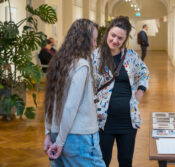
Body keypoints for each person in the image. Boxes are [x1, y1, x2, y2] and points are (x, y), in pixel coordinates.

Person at [43, 19, 105, 167]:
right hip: (79, 136)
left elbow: (50, 102)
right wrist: (60, 142)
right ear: (82, 40)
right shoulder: (81, 65)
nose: (96, 45)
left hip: (56, 132)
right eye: (94, 40)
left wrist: (48, 134)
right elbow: (71, 107)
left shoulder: (58, 61)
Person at [92, 16, 150, 167]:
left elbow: (144, 73)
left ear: (124, 40)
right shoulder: (95, 57)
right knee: (102, 161)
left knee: (125, 161)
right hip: (102, 121)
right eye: (113, 35)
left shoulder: (131, 56)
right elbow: (88, 85)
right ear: (107, 34)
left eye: (120, 38)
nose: (115, 40)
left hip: (128, 121)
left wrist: (140, 91)